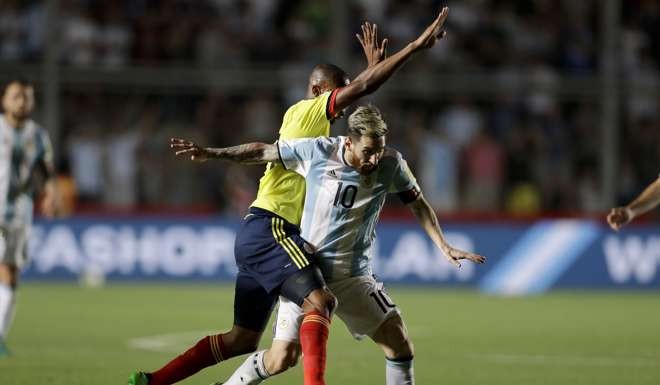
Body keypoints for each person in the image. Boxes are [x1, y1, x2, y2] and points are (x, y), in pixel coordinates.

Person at [130, 7, 451, 385]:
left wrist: (369, 72)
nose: (343, 106)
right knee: (322, 302)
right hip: (274, 231)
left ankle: (152, 382)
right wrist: (413, 47)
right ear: (317, 91)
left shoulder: (320, 132)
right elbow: (364, 89)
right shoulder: (307, 113)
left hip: (259, 234)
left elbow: (362, 93)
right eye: (339, 95)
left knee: (245, 341)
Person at [170, 104, 486, 385]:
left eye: (379, 150)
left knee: (398, 340)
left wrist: (443, 245)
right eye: (367, 152)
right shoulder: (318, 151)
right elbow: (261, 151)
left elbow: (417, 203)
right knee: (281, 358)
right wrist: (213, 153)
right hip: (307, 273)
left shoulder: (392, 164)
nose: (373, 159)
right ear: (348, 142)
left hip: (353, 276)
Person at [0, 79, 57, 357]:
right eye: (16, 96)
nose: (21, 101)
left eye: (26, 97)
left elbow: (45, 171)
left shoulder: (38, 135)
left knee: (10, 274)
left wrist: (50, 193)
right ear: (4, 101)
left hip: (19, 214)